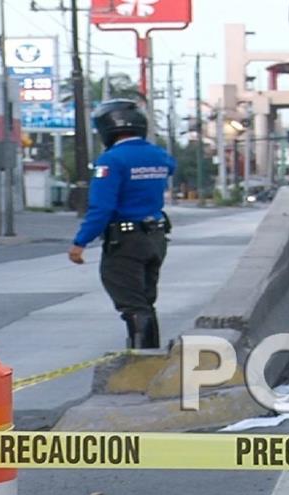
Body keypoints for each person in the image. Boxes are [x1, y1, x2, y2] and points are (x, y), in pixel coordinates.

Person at [68, 99, 176, 349]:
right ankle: (149, 354)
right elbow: (169, 169)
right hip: (156, 237)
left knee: (130, 301)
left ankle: (140, 358)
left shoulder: (111, 161)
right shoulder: (159, 156)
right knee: (146, 299)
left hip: (126, 240)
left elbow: (102, 208)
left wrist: (80, 242)